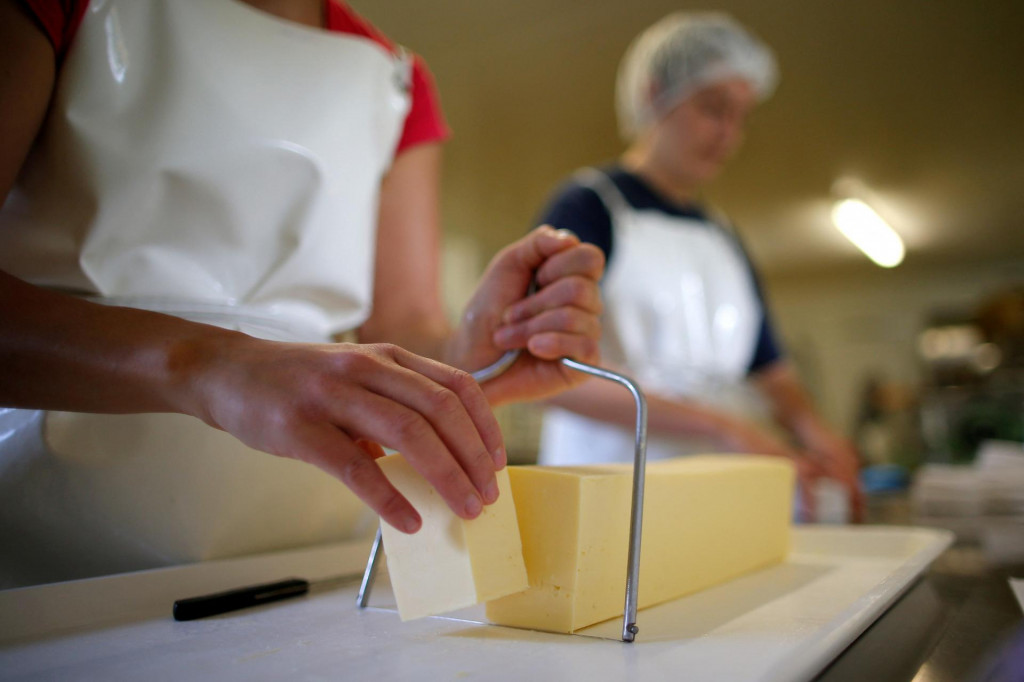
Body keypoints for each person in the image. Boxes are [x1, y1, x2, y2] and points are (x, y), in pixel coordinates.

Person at [0, 0, 604, 587]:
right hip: (50, 530)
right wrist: (212, 364)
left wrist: (473, 357)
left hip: (309, 525)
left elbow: (404, 322)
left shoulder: (396, 79)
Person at [534, 12, 862, 520]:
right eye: (713, 108)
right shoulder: (588, 208)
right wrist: (727, 428)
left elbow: (771, 370)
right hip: (605, 500)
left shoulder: (723, 237)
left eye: (742, 117)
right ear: (654, 95)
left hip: (709, 502)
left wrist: (819, 435)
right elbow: (544, 369)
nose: (729, 134)